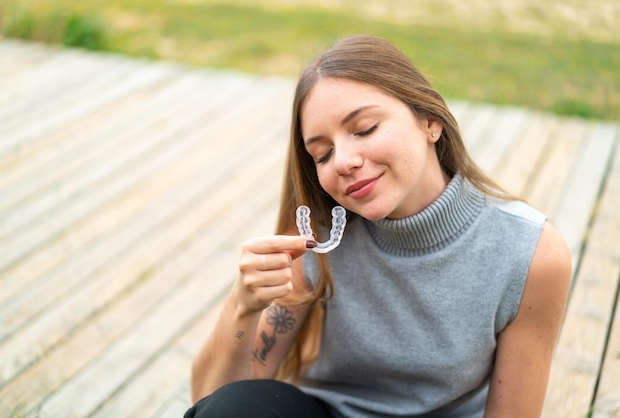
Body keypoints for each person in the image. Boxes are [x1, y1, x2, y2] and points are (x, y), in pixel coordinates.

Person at [185, 35, 571, 418]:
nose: (343, 162)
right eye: (323, 153)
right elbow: (212, 403)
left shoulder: (529, 253)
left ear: (430, 121)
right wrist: (243, 306)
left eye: (365, 128)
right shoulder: (315, 234)